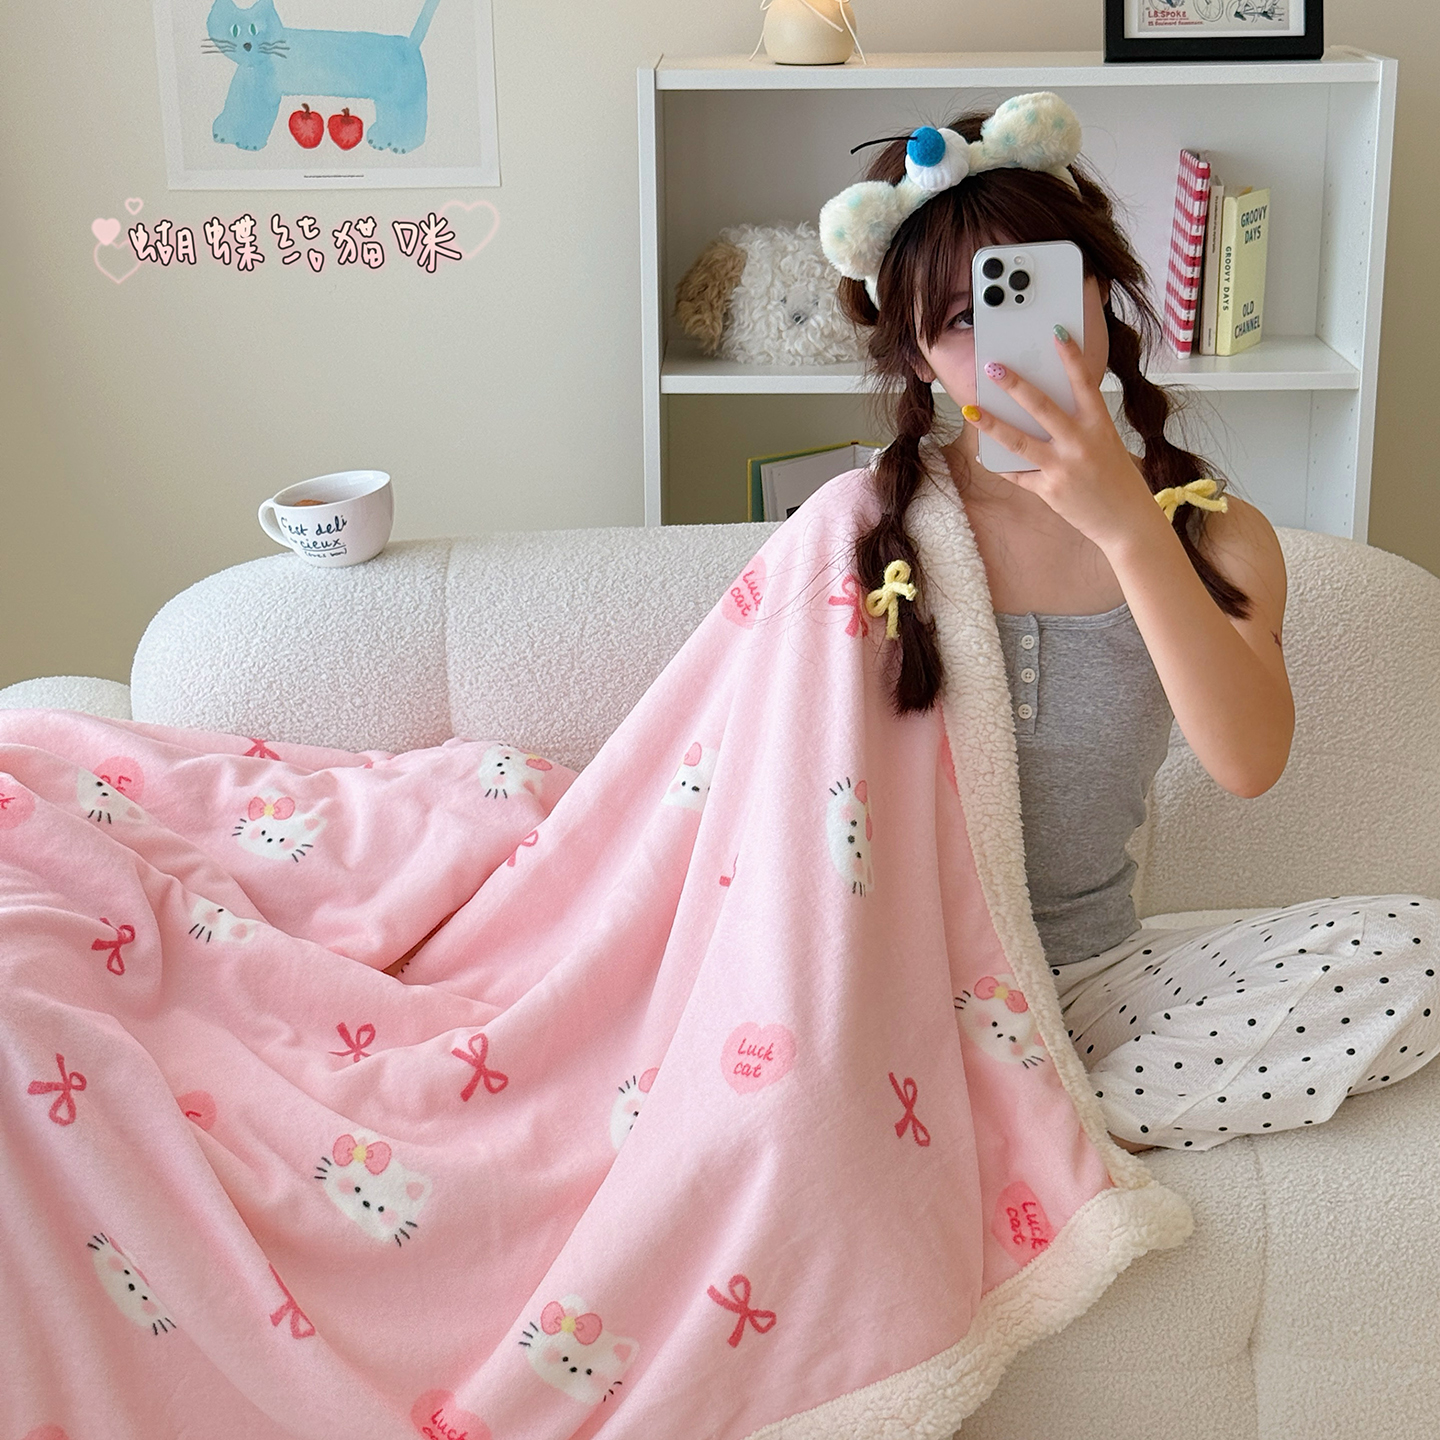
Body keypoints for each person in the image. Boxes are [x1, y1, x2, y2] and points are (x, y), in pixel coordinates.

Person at [820, 94, 1440, 1152]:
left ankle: (1030, 1124)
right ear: (917, 356)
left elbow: (1248, 761)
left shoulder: (1213, 531)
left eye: (1033, 289)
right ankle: (1000, 1117)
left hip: (1094, 983)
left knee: (1421, 949)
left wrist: (1125, 526)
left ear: (1100, 294)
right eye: (963, 318)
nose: (1005, 339)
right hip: (898, 981)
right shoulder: (866, 532)